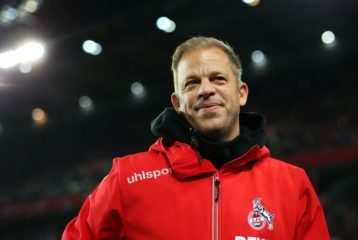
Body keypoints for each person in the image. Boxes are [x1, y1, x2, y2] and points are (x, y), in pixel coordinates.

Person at [62, 36, 330, 240]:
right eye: (191, 83)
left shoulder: (292, 184)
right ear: (178, 102)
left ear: (241, 93)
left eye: (218, 79)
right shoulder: (127, 178)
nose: (206, 90)